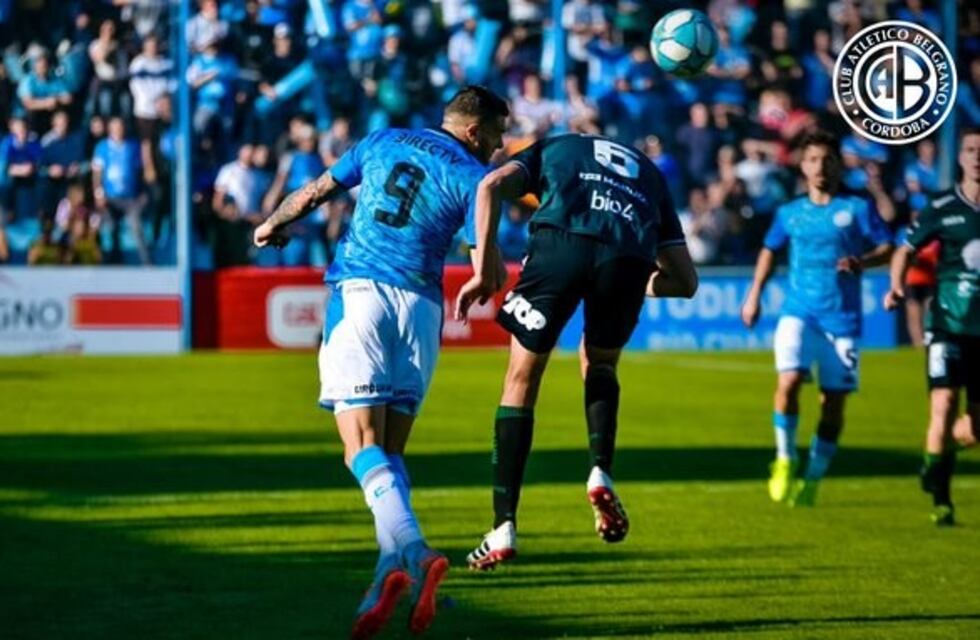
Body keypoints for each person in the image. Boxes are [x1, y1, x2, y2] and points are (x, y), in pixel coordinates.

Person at [253, 85, 508, 639]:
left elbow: (318, 190)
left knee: (360, 450)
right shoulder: (474, 178)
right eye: (495, 134)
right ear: (471, 130)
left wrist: (274, 222)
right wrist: (487, 277)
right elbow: (483, 258)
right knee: (389, 454)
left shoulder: (383, 140)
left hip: (363, 290)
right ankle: (384, 576)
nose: (499, 145)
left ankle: (414, 551)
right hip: (421, 307)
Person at [455, 133, 698, 570]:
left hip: (560, 246)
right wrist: (630, 279)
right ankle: (600, 470)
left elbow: (489, 186)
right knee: (601, 362)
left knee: (521, 379)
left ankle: (503, 526)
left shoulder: (554, 146)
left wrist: (483, 267)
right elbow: (685, 283)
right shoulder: (648, 171)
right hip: (627, 258)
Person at [741, 131, 893, 507]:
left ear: (838, 165)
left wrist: (864, 261)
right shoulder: (789, 212)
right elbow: (768, 250)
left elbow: (888, 247)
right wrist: (754, 294)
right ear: (803, 165)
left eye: (827, 159)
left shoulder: (857, 208)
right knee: (789, 381)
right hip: (799, 312)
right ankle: (784, 458)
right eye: (812, 160)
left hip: (842, 319)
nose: (820, 166)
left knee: (832, 405)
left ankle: (813, 478)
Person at [883, 127, 980, 527]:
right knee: (942, 405)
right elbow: (906, 249)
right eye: (972, 150)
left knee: (973, 428)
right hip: (946, 323)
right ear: (960, 158)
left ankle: (934, 461)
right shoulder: (942, 205)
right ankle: (941, 497)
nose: (978, 156)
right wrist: (895, 286)